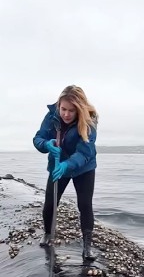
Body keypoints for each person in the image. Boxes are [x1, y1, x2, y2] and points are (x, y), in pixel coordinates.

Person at [32, 85, 99, 261]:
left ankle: (87, 246)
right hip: (56, 164)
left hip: (83, 167)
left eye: (71, 110)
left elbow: (85, 152)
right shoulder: (52, 116)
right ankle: (47, 233)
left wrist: (67, 165)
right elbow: (38, 138)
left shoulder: (90, 121)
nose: (66, 114)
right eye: (63, 109)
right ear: (59, 105)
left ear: (80, 110)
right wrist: (46, 144)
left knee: (85, 204)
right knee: (50, 202)